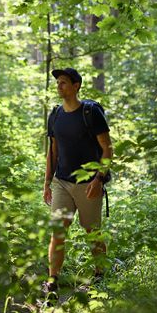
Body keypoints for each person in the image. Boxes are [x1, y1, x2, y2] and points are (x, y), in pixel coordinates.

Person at [43, 67, 113, 297]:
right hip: (61, 182)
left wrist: (98, 179)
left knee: (91, 231)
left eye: (64, 82)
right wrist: (47, 183)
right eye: (58, 82)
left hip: (88, 184)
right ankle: (52, 280)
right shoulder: (55, 115)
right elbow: (52, 151)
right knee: (57, 232)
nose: (59, 86)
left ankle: (100, 274)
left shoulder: (90, 113)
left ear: (76, 86)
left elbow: (107, 149)